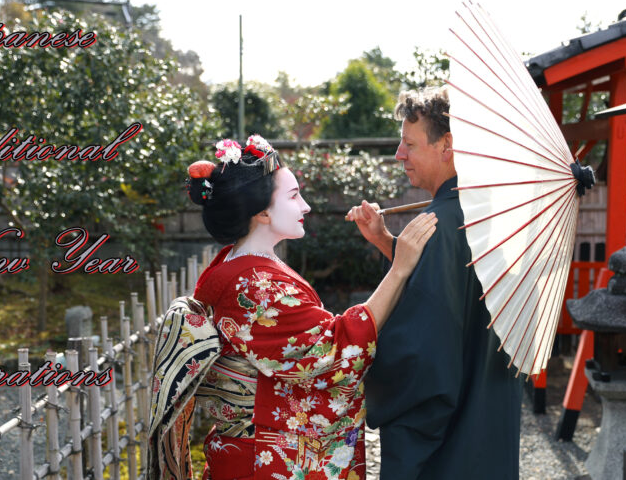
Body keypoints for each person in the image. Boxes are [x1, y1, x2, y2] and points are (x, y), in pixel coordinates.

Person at [148, 134, 437, 480]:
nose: (306, 207)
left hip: (244, 452)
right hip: (263, 457)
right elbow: (337, 350)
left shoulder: (237, 266)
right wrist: (400, 268)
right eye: (294, 195)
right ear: (262, 214)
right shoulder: (256, 286)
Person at [346, 87, 523, 479]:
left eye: (409, 143)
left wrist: (369, 377)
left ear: (447, 145)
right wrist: (385, 242)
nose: (399, 154)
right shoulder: (488, 215)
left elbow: (421, 359)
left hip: (450, 443)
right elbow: (456, 282)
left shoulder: (436, 226)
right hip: (489, 413)